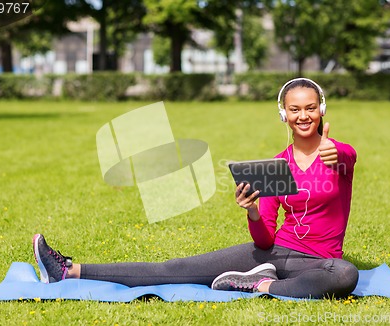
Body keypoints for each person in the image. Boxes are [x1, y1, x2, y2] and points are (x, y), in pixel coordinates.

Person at [33, 78, 359, 299]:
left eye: (310, 108)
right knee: (175, 269)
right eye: (295, 109)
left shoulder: (340, 154)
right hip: (274, 252)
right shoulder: (277, 164)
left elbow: (348, 154)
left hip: (318, 261)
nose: (303, 116)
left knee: (345, 274)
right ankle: (68, 271)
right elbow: (265, 239)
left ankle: (264, 285)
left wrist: (334, 152)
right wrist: (252, 212)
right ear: (283, 114)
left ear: (322, 110)